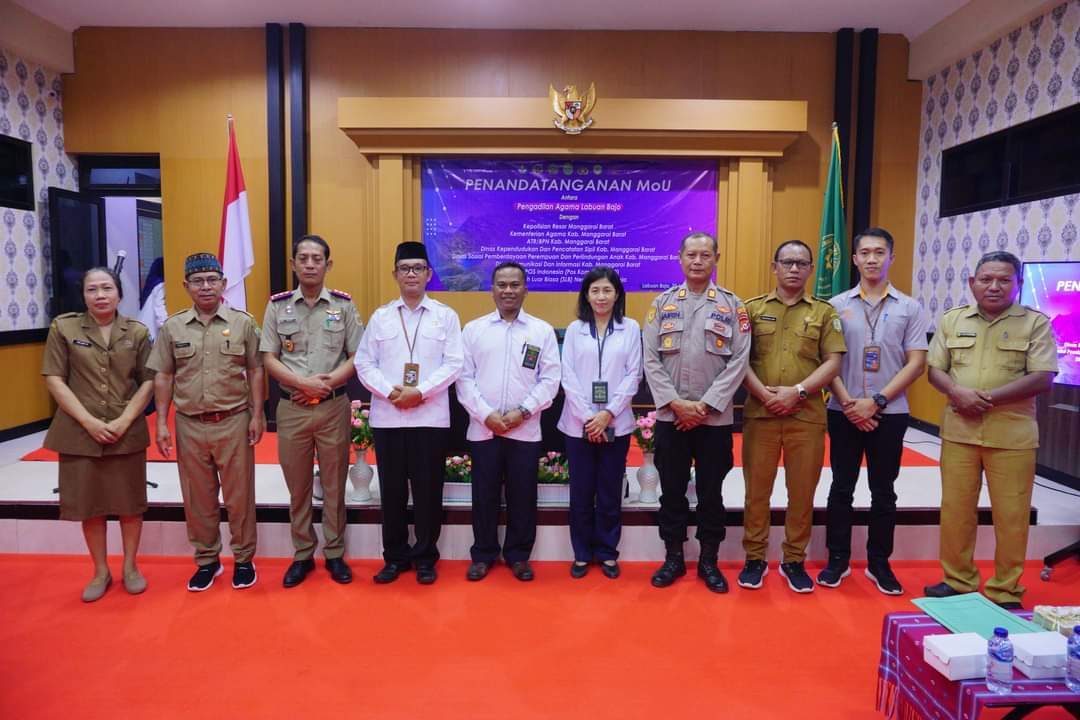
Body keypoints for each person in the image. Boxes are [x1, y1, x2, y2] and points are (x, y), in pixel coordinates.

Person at [924, 250, 1058, 609]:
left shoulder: (1035, 323)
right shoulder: (953, 320)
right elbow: (934, 368)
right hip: (959, 433)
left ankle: (1005, 589)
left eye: (1004, 280)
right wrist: (955, 392)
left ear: (1017, 284)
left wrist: (986, 399)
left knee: (1011, 515)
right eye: (986, 279)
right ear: (972, 283)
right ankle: (958, 579)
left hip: (1012, 436)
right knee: (955, 510)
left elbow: (1043, 377)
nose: (994, 287)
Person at [819, 228, 928, 595]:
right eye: (864, 252)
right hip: (842, 409)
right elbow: (828, 361)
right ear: (853, 259)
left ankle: (879, 563)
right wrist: (850, 403)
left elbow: (916, 363)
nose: (871, 259)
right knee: (841, 487)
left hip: (890, 412)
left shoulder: (910, 307)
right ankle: (838, 559)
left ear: (891, 257)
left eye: (879, 252)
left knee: (884, 491)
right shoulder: (835, 305)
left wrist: (877, 401)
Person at [150, 253, 265, 592]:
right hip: (189, 423)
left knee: (239, 496)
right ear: (186, 286)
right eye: (197, 281)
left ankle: (243, 560)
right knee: (197, 497)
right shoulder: (173, 326)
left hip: (234, 420)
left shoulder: (243, 323)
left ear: (223, 283)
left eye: (211, 279)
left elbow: (257, 369)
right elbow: (164, 375)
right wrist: (160, 422)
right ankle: (207, 561)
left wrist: (257, 414)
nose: (205, 286)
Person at [642, 232, 750, 593]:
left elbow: (740, 360)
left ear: (716, 258)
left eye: (706, 255)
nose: (698, 261)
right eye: (692, 254)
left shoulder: (733, 306)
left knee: (711, 493)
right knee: (671, 492)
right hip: (671, 419)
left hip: (714, 420)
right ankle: (673, 557)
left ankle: (708, 561)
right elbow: (650, 359)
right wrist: (676, 404)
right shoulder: (662, 304)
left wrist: (705, 406)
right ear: (680, 258)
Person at [42, 267, 155, 602]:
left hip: (126, 431)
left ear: (119, 293)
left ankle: (131, 567)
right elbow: (53, 378)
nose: (101, 295)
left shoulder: (136, 332)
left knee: (130, 504)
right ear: (84, 295)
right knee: (90, 506)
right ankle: (100, 570)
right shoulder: (64, 327)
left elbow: (148, 380)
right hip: (79, 432)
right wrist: (88, 422)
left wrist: (125, 420)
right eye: (93, 289)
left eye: (107, 288)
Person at [739, 240, 845, 594]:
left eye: (802, 263)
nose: (794, 268)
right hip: (761, 413)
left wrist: (797, 392)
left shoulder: (825, 313)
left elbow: (833, 361)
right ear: (775, 266)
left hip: (806, 415)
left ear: (811, 269)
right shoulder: (751, 310)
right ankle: (755, 558)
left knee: (801, 493)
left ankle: (794, 559)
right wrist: (763, 394)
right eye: (787, 262)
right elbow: (738, 360)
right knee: (757, 492)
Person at [355, 241, 463, 585]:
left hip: (430, 418)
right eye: (405, 268)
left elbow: (454, 363)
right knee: (392, 491)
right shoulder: (381, 316)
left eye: (418, 268)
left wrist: (420, 391)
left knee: (429, 490)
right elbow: (363, 362)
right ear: (395, 274)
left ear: (429, 274)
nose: (412, 274)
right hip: (389, 417)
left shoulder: (445, 316)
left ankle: (426, 556)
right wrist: (391, 392)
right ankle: (395, 557)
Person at [261, 235, 363, 587]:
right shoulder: (277, 307)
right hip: (292, 410)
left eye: (316, 259)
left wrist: (326, 383)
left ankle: (334, 552)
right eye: (302, 258)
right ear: (292, 265)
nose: (309, 264)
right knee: (298, 486)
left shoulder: (344, 307)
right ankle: (303, 553)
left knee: (334, 485)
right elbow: (268, 358)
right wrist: (302, 384)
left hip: (332, 406)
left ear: (327, 265)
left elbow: (356, 356)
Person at [457, 261, 561, 582]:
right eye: (501, 284)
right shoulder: (474, 330)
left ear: (525, 289)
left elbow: (551, 379)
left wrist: (523, 412)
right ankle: (484, 553)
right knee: (484, 495)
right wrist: (486, 415)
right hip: (483, 428)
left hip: (525, 429)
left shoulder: (541, 331)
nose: (508, 291)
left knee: (522, 495)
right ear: (492, 289)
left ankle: (518, 555)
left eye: (515, 285)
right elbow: (464, 379)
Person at [558, 267, 642, 579]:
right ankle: (581, 553)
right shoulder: (575, 328)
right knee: (580, 491)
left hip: (616, 424)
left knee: (608, 490)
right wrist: (588, 417)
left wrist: (608, 413)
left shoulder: (630, 328)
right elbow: (567, 376)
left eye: (607, 290)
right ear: (586, 295)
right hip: (577, 425)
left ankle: (607, 551)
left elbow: (634, 374)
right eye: (595, 291)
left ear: (617, 294)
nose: (601, 296)